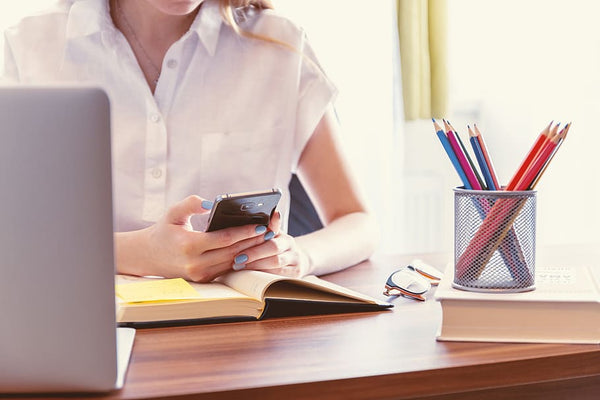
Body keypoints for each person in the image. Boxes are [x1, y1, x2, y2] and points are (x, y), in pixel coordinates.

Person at [2, 0, 378, 282]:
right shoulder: (27, 49)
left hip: (240, 343)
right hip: (83, 331)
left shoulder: (280, 47)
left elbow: (358, 221)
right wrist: (137, 253)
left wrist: (299, 256)